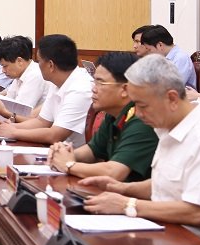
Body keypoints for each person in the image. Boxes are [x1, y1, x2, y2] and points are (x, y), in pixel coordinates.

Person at [81, 54, 200, 245]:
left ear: (172, 98)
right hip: (167, 235)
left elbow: (198, 213)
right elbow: (166, 184)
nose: (138, 114)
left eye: (142, 106)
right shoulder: (166, 127)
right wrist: (122, 188)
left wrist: (127, 204)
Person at [48, 52, 158, 182]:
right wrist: (62, 153)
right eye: (94, 82)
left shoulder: (142, 119)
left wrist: (69, 165)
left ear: (125, 89)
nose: (93, 89)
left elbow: (114, 172)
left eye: (101, 83)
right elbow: (92, 151)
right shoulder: (113, 115)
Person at [0, 34, 92, 147]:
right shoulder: (57, 82)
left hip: (72, 153)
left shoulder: (80, 89)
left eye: (39, 61)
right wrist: (7, 127)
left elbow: (55, 135)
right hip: (56, 149)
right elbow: (41, 122)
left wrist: (14, 132)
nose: (37, 65)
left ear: (50, 65)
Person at [0, 36, 52, 121]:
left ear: (19, 61)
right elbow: (9, 100)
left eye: (5, 66)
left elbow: (20, 112)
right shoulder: (20, 75)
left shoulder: (35, 75)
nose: (3, 70)